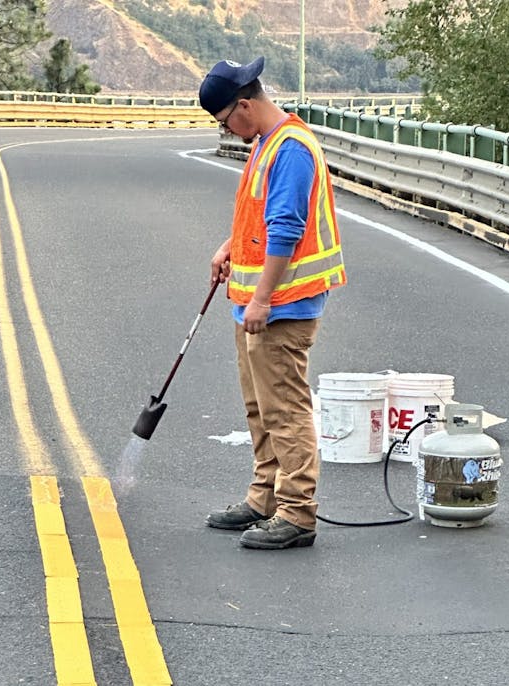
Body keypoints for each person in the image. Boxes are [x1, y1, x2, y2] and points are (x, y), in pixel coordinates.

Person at [198, 56, 346, 549]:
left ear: (244, 105)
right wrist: (229, 247)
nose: (228, 130)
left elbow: (286, 228)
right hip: (256, 304)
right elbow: (258, 221)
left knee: (285, 409)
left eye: (225, 122)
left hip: (282, 306)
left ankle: (298, 512)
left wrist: (261, 300)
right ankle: (264, 497)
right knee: (259, 408)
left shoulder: (292, 149)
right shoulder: (265, 143)